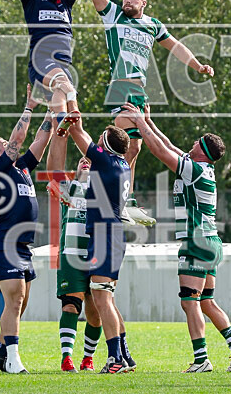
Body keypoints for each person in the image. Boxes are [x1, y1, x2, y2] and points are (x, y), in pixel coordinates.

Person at [60, 0, 214, 226]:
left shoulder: (153, 25)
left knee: (133, 148)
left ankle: (115, 197)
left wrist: (197, 65)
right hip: (122, 87)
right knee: (122, 144)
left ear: (144, 2)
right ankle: (99, 190)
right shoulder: (113, 16)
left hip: (139, 90)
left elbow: (176, 46)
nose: (127, 1)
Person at [123, 103, 231, 373]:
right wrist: (148, 121)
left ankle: (201, 360)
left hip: (196, 241)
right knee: (206, 301)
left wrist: (139, 122)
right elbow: (167, 144)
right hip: (211, 241)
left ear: (203, 151)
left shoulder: (193, 170)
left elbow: (160, 151)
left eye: (198, 141)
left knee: (188, 301)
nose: (193, 142)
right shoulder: (199, 168)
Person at [0, 84, 54, 374]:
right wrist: (30, 106)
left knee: (20, 304)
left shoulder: (22, 167)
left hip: (23, 246)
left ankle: (0, 350)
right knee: (15, 301)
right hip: (6, 244)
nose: (10, 141)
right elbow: (20, 135)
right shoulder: (0, 169)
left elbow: (40, 139)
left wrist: (54, 110)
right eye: (5, 142)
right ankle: (12, 359)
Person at [67, 115, 135, 374]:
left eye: (99, 141)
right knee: (107, 297)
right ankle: (124, 356)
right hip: (114, 233)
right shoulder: (122, 164)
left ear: (105, 145)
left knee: (101, 299)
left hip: (104, 233)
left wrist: (69, 105)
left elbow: (77, 132)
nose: (95, 143)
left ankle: (116, 358)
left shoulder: (106, 160)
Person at [16, 0, 82, 185]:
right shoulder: (33, 1)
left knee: (61, 129)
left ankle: (57, 180)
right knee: (67, 91)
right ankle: (73, 112)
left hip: (62, 65)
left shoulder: (65, 1)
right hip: (42, 61)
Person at [56, 156, 103, 373]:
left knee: (96, 310)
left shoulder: (104, 189)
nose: (85, 161)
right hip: (71, 254)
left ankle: (88, 358)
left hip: (97, 255)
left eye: (90, 161)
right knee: (71, 305)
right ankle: (67, 358)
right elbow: (54, 168)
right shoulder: (68, 186)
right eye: (82, 160)